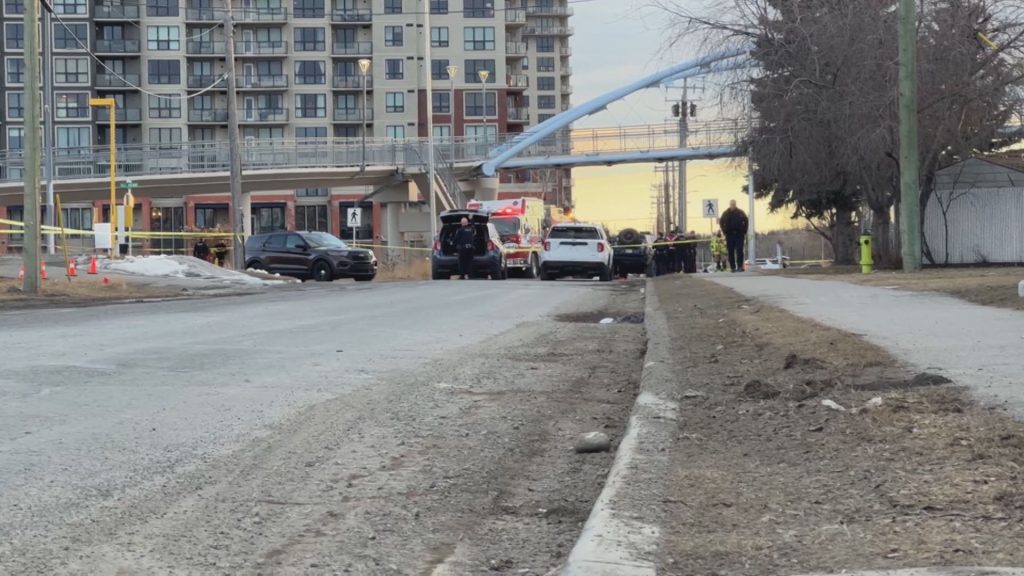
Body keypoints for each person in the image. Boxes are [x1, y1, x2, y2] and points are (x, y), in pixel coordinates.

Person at [719, 200, 749, 272]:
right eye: (731, 204)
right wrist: (724, 231)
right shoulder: (726, 213)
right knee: (730, 251)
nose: (732, 206)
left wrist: (744, 231)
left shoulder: (740, 212)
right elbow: (721, 222)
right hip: (729, 235)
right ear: (729, 205)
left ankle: (740, 267)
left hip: (739, 234)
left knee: (739, 250)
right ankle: (733, 267)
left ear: (736, 204)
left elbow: (746, 221)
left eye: (734, 204)